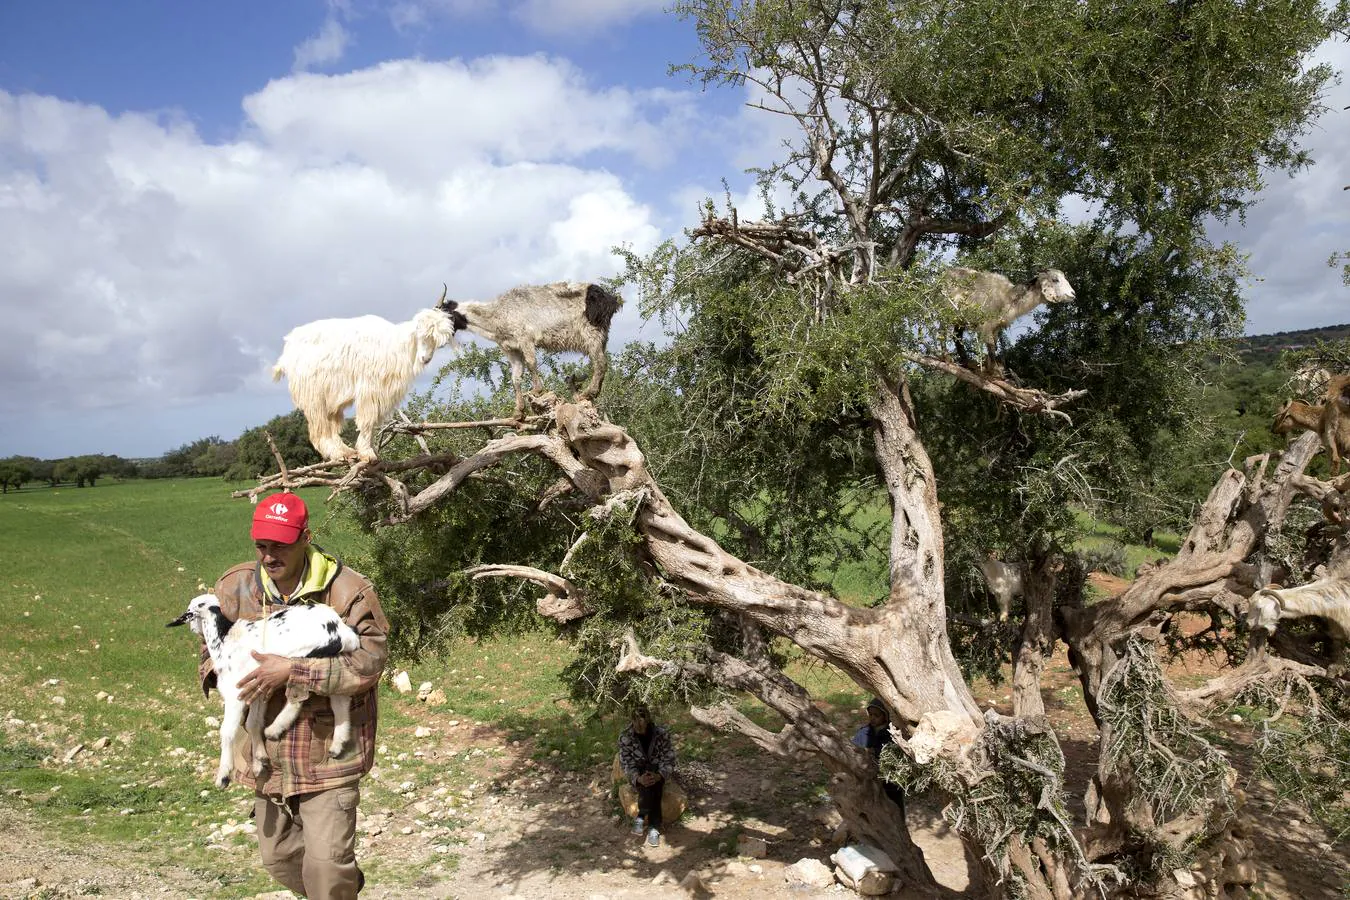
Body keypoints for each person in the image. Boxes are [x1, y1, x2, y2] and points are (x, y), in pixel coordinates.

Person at [197, 491, 388, 899]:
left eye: (279, 545)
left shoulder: (348, 591)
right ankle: (342, 890)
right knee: (279, 857)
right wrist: (224, 673)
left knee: (325, 866)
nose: (269, 556)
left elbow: (370, 663)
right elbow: (209, 652)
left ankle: (334, 888)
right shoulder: (236, 587)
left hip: (327, 756)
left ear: (305, 536)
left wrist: (292, 670)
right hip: (267, 756)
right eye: (261, 546)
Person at [617, 703, 678, 847]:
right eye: (636, 725)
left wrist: (660, 775)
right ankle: (654, 828)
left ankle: (642, 818)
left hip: (657, 770)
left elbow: (669, 758)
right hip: (638, 773)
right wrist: (637, 778)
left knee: (654, 785)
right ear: (632, 721)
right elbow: (626, 763)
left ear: (648, 720)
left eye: (642, 726)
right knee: (647, 786)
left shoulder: (662, 733)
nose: (639, 729)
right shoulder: (625, 736)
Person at [853, 697, 906, 813]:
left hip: (890, 782)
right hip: (869, 780)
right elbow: (854, 748)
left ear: (885, 716)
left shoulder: (893, 734)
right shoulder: (864, 732)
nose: (873, 718)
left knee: (895, 810)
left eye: (877, 715)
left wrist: (874, 752)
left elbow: (894, 755)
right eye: (870, 714)